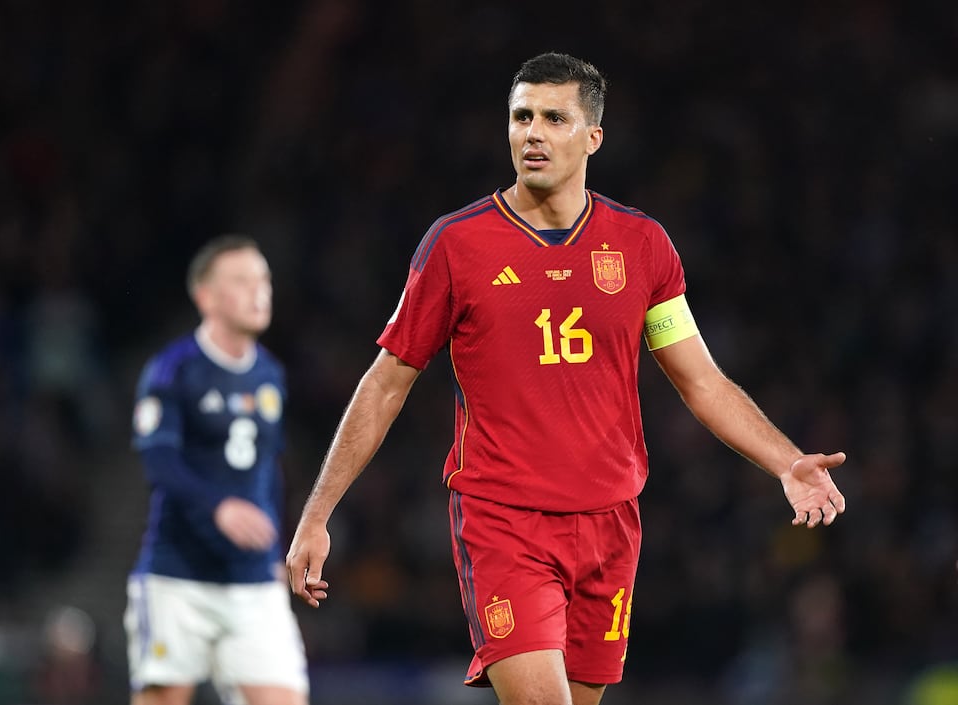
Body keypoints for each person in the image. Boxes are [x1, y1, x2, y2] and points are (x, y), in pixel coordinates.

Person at [285, 52, 847, 705]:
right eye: (521, 116)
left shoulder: (642, 247)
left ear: (592, 137)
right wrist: (318, 513)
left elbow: (702, 381)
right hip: (505, 521)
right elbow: (386, 382)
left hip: (611, 526)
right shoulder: (456, 246)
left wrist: (785, 461)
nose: (533, 132)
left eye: (554, 118)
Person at [124, 236, 309, 705]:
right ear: (205, 296)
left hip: (250, 581)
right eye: (242, 281)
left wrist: (275, 550)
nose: (259, 292)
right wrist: (218, 507)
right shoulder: (172, 370)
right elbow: (159, 460)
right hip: (176, 577)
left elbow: (268, 468)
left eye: (264, 279)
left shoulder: (270, 374)